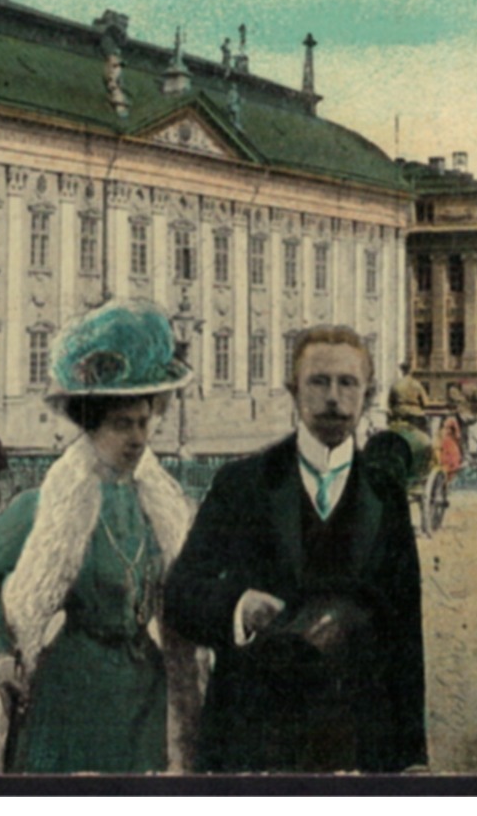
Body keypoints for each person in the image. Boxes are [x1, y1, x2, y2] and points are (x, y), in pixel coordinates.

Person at [162, 326, 426, 773]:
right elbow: (181, 594)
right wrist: (239, 608)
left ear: (368, 394)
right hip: (254, 734)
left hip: (355, 739)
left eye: (348, 383)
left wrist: (411, 760)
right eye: (318, 382)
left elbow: (405, 635)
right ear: (293, 390)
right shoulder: (242, 483)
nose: (333, 398)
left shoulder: (386, 495)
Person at [0, 300, 203, 773]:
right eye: (120, 425)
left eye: (142, 422)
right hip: (76, 689)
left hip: (145, 685)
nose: (136, 438)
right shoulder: (49, 505)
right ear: (91, 429)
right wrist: (0, 649)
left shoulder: (159, 506)